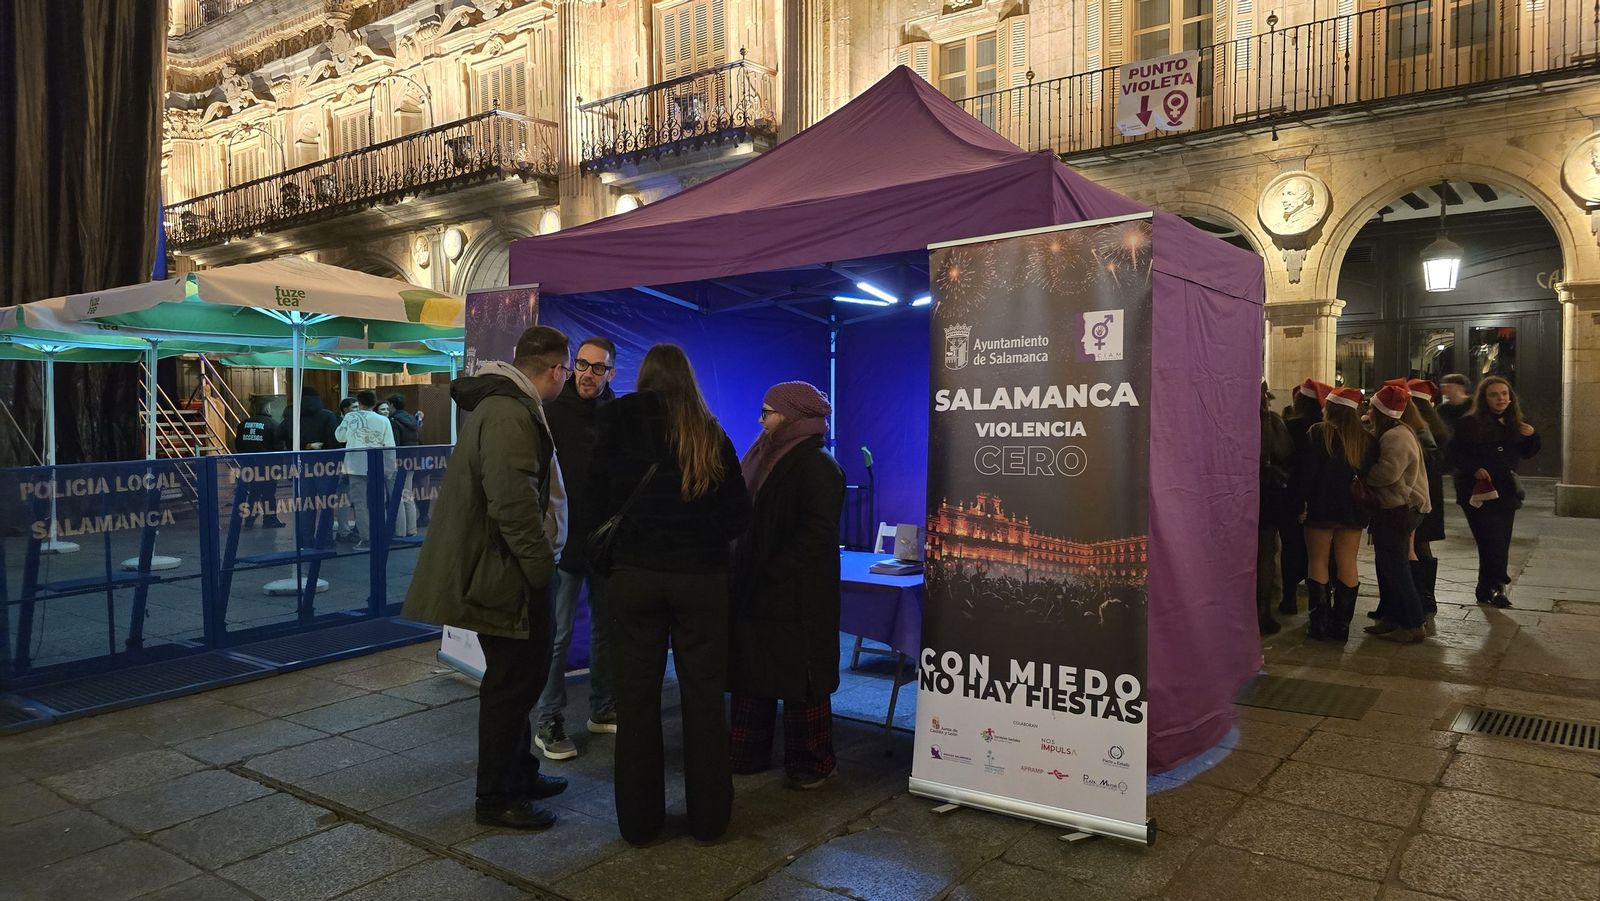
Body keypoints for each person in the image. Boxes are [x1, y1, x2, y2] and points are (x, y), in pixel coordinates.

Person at [401, 325, 573, 831]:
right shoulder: (508, 413)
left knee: (519, 683)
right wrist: (542, 570)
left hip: (508, 570)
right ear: (556, 369)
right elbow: (512, 505)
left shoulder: (506, 407)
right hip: (509, 574)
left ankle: (519, 772)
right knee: (510, 687)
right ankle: (496, 797)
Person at [580, 343, 750, 845]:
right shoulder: (710, 432)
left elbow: (593, 506)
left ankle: (639, 822)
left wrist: (615, 563)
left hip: (634, 579)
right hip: (700, 581)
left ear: (644, 377)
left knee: (635, 702)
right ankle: (709, 819)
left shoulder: (614, 424)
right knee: (703, 702)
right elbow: (739, 514)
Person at [729, 382, 846, 789]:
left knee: (801, 680)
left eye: (768, 412)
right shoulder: (768, 456)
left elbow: (815, 537)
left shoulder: (818, 466)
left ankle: (809, 763)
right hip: (761, 587)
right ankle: (748, 754)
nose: (762, 421)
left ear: (793, 416)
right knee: (755, 674)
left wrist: (771, 570)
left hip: (797, 595)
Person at [534, 337, 620, 761]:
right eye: (581, 365)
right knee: (558, 633)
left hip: (605, 543)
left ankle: (602, 707)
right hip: (565, 542)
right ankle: (548, 718)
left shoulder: (618, 416)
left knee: (606, 628)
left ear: (611, 373)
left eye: (597, 367)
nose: (587, 373)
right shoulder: (550, 413)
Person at [1449, 376, 1540, 608]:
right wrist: (1474, 468)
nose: (1500, 398)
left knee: (1501, 540)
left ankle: (1491, 587)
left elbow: (1527, 453)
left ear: (1510, 397)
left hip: (1505, 490)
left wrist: (1532, 436)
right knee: (1488, 539)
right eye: (1494, 394)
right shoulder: (1468, 423)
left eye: (1504, 394)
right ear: (1484, 398)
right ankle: (1495, 584)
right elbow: (1454, 455)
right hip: (1476, 490)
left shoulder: (1515, 423)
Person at [1296, 386, 1375, 642]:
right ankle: (1341, 627)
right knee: (1348, 562)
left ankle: (1318, 625)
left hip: (1321, 506)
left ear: (1329, 408)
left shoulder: (1318, 433)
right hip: (1352, 508)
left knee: (1317, 561)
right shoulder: (1365, 439)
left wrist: (1299, 505)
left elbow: (1305, 475)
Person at [1361, 385, 1432, 644]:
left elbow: (1388, 472)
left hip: (1399, 508)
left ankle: (1413, 624)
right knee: (1386, 566)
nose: (1368, 410)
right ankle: (1391, 618)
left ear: (1381, 410)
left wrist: (1363, 477)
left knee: (1396, 568)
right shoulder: (1395, 432)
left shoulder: (1396, 437)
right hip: (1392, 508)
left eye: (1372, 407)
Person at [1279, 379, 1329, 616]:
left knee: (1291, 547)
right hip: (1320, 496)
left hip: (1291, 494)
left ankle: (1289, 598)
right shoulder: (1326, 427)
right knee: (1321, 552)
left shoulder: (1290, 426)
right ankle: (1322, 604)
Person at [334, 390, 396, 552]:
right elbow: (389, 445)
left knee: (360, 503)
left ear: (359, 402)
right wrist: (389, 468)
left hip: (355, 466)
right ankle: (380, 536)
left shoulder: (350, 417)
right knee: (378, 502)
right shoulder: (383, 420)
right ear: (375, 404)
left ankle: (366, 538)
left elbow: (340, 437)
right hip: (377, 466)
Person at [1256, 383, 1294, 636]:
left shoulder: (1229, 418)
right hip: (1266, 495)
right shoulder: (1273, 422)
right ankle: (1262, 613)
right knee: (1266, 555)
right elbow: (1286, 453)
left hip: (1234, 496)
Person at [233, 398, 285, 529]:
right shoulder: (273, 424)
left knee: (254, 492)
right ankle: (270, 520)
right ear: (267, 409)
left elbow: (238, 444)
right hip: (267, 466)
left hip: (248, 464)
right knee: (268, 494)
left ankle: (249, 519)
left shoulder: (243, 424)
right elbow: (279, 448)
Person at [386, 394, 421, 538]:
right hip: (412, 460)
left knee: (397, 496)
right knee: (408, 494)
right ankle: (411, 529)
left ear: (392, 405)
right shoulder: (412, 419)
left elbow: (395, 444)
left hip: (398, 462)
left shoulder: (393, 421)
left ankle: (399, 530)